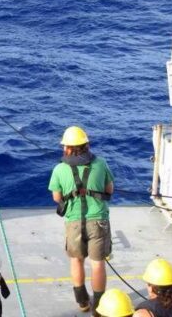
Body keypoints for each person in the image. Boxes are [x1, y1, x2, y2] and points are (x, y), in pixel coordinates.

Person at [48, 126, 114, 314]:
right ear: (86, 145)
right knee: (98, 263)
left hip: (73, 223)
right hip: (98, 222)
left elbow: (56, 197)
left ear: (67, 148)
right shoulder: (101, 163)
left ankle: (83, 302)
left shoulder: (59, 169)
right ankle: (100, 305)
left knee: (76, 261)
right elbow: (109, 190)